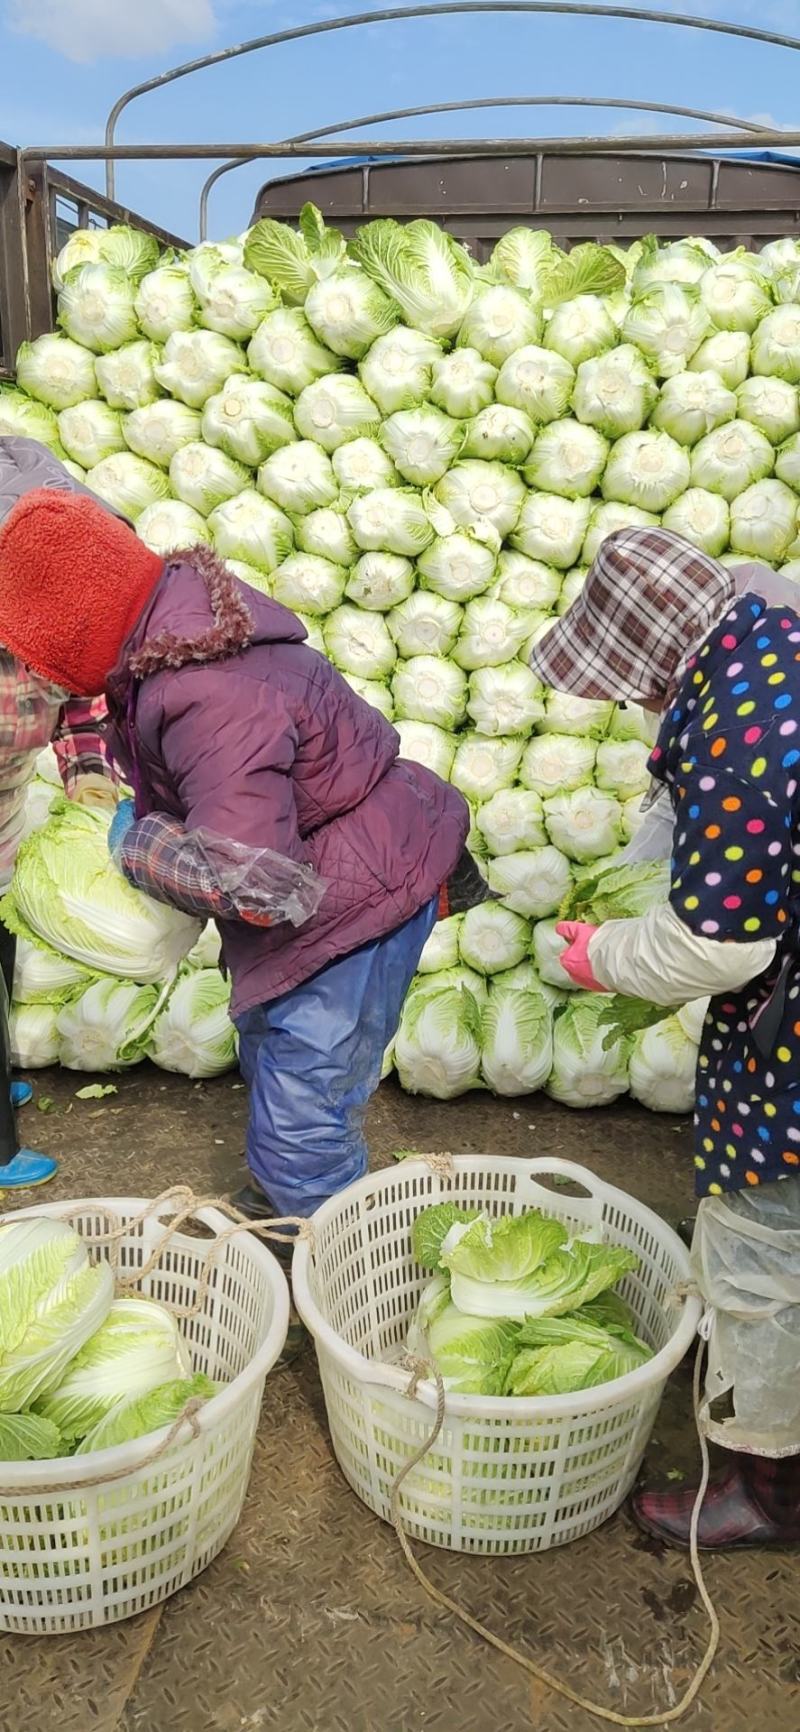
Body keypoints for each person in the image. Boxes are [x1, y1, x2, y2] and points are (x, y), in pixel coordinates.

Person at [0, 487, 481, 1231]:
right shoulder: (179, 634)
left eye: (48, 663)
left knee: (305, 1107)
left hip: (352, 905)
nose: (47, 682)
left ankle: (322, 1246)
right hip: (343, 872)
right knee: (278, 1051)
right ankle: (293, 1192)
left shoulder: (204, 692)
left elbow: (258, 883)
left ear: (83, 633)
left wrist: (137, 841)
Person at [529, 525, 800, 1551]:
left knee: (764, 1242)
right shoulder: (763, 623)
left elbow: (720, 946)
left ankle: (764, 1490)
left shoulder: (744, 716)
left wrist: (603, 957)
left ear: (652, 660)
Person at [0, 439, 122, 1190]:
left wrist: (91, 781)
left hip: (5, 804)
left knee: (2, 945)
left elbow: (78, 696)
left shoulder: (48, 613)